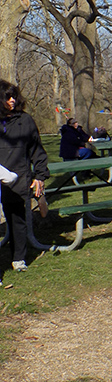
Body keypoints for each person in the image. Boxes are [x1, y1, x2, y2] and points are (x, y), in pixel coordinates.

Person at [0, 80, 50, 273]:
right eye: (7, 97)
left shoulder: (25, 120)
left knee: (17, 219)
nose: (12, 101)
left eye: (14, 97)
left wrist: (40, 175)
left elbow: (37, 149)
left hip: (19, 178)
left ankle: (18, 258)